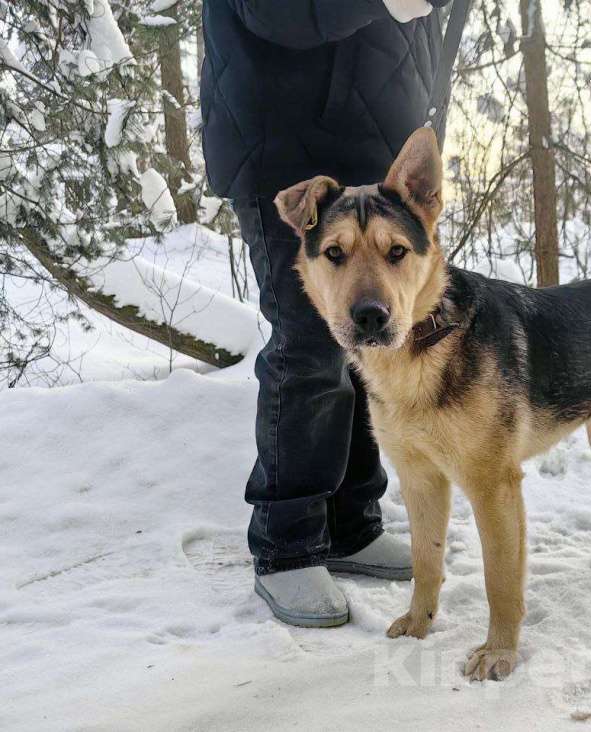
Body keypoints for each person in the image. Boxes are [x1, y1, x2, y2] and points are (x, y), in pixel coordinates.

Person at [200, 0, 450, 628]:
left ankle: (350, 522)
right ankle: (287, 546)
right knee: (311, 344)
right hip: (286, 138)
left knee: (367, 344)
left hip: (376, 141)